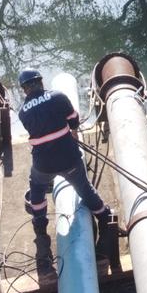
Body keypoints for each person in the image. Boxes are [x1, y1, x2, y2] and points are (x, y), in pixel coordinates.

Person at [16, 68, 111, 231]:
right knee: (84, 188)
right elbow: (74, 121)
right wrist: (70, 131)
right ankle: (104, 216)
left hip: (43, 164)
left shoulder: (23, 113)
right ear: (41, 82)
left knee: (37, 189)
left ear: (24, 89)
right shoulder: (58, 97)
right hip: (69, 158)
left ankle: (39, 225)